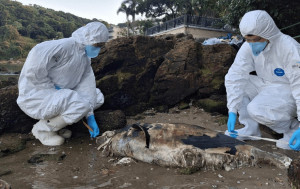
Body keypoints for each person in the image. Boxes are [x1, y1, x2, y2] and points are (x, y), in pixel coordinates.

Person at [17, 22, 109, 146]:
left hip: (58, 95)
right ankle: (42, 130)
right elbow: (33, 69)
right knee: (79, 104)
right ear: (88, 38)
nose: (98, 48)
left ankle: (56, 125)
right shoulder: (64, 46)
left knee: (97, 97)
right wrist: (52, 88)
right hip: (37, 94)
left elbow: (87, 87)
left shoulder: (85, 58)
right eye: (97, 45)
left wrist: (90, 116)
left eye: (100, 46)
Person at [224, 10, 300, 151]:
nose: (252, 44)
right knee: (240, 84)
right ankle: (250, 129)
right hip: (266, 84)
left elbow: (299, 85)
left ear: (268, 33)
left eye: (257, 39)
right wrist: (232, 110)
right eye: (248, 39)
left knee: (256, 109)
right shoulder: (248, 46)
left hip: (287, 89)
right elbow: (236, 75)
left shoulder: (289, 47)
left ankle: (293, 129)